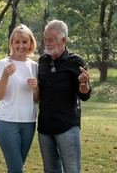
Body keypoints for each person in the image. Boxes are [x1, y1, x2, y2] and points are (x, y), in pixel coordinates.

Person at [37, 19, 91, 173]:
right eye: (45, 39)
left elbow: (85, 95)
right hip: (44, 128)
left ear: (63, 40)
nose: (47, 43)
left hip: (67, 127)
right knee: (50, 170)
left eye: (51, 40)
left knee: (72, 170)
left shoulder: (76, 61)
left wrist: (83, 83)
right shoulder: (43, 60)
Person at [0, 24, 40, 173]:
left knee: (16, 167)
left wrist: (36, 87)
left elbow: (37, 100)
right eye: (17, 42)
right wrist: (6, 75)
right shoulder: (3, 64)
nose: (21, 46)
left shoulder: (34, 66)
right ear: (12, 43)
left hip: (29, 123)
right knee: (16, 169)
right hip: (7, 122)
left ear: (31, 43)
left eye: (25, 42)